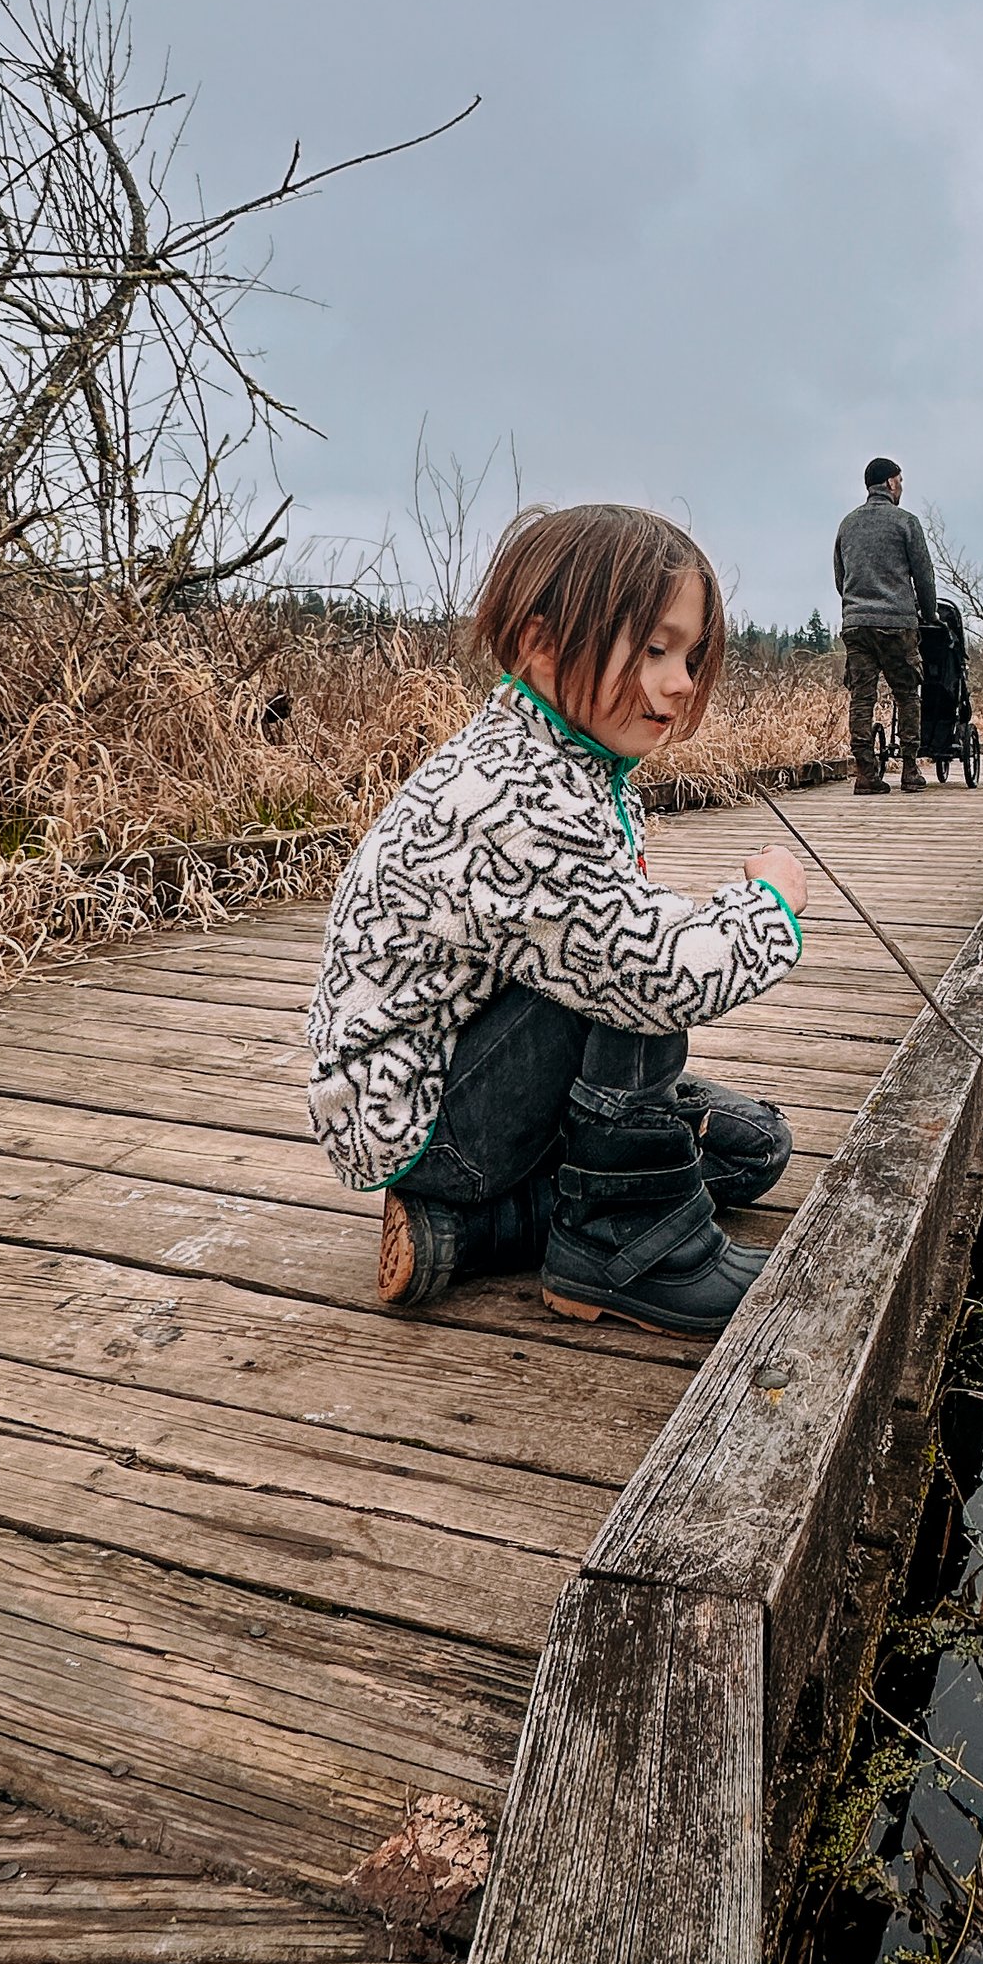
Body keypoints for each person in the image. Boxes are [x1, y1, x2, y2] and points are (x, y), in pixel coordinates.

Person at [306, 503, 811, 1339]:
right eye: (654, 649)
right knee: (632, 959)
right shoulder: (512, 795)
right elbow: (654, 976)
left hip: (472, 1076)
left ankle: (466, 1232)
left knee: (752, 1146)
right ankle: (624, 1233)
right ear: (542, 643)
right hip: (425, 1120)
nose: (682, 681)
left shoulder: (566, 760)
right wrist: (768, 906)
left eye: (689, 654)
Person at [834, 453, 937, 795]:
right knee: (907, 694)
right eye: (901, 481)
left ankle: (865, 774)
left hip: (857, 624)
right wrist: (930, 613)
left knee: (862, 698)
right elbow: (923, 575)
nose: (902, 487)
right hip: (896, 623)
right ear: (891, 482)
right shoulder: (906, 522)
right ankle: (910, 770)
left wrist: (855, 606)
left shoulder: (847, 525)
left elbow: (840, 577)